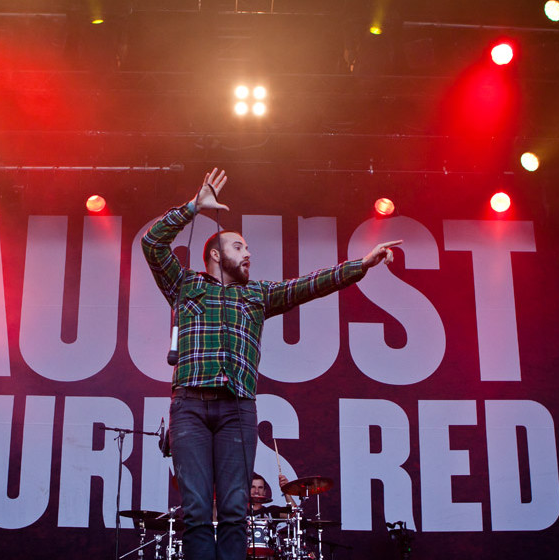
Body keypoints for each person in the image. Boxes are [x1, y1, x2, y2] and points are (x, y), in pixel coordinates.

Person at [142, 168, 401, 560]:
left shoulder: (258, 295)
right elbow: (152, 243)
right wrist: (193, 207)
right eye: (239, 247)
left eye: (248, 248)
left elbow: (309, 285)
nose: (248, 253)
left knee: (234, 511)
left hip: (237, 408)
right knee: (196, 511)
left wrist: (361, 265)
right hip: (189, 406)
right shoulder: (186, 285)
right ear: (216, 255)